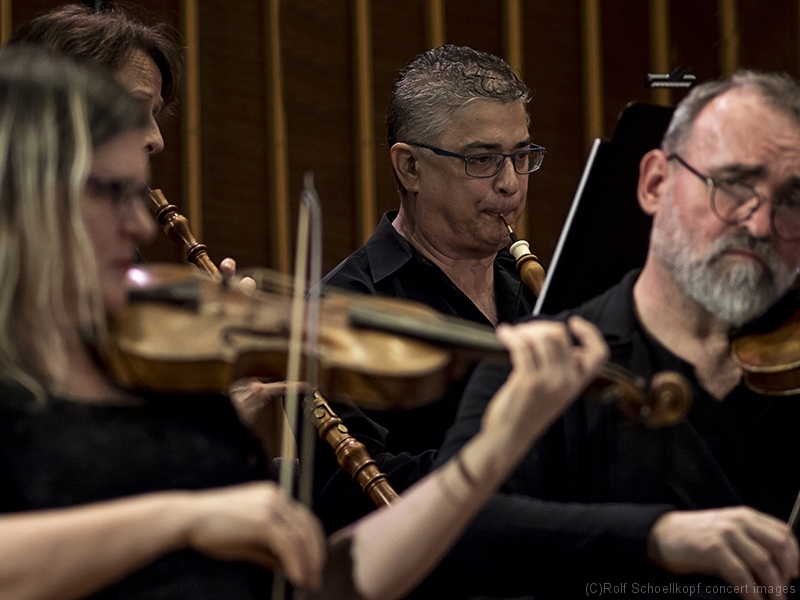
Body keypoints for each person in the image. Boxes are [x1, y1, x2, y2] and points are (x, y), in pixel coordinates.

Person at [0, 46, 608, 600]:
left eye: (140, 195)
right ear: (21, 194)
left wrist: (494, 451)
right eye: (113, 192)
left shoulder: (167, 384)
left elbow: (329, 581)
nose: (140, 226)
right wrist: (180, 518)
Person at [425, 70, 800, 600]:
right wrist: (654, 536)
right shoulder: (538, 363)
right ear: (655, 184)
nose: (761, 226)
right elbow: (455, 534)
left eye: (792, 201)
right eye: (734, 185)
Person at [313, 45, 545, 530]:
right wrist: (520, 456)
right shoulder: (342, 308)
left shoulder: (539, 293)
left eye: (521, 156)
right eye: (482, 159)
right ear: (410, 168)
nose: (510, 183)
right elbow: (353, 495)